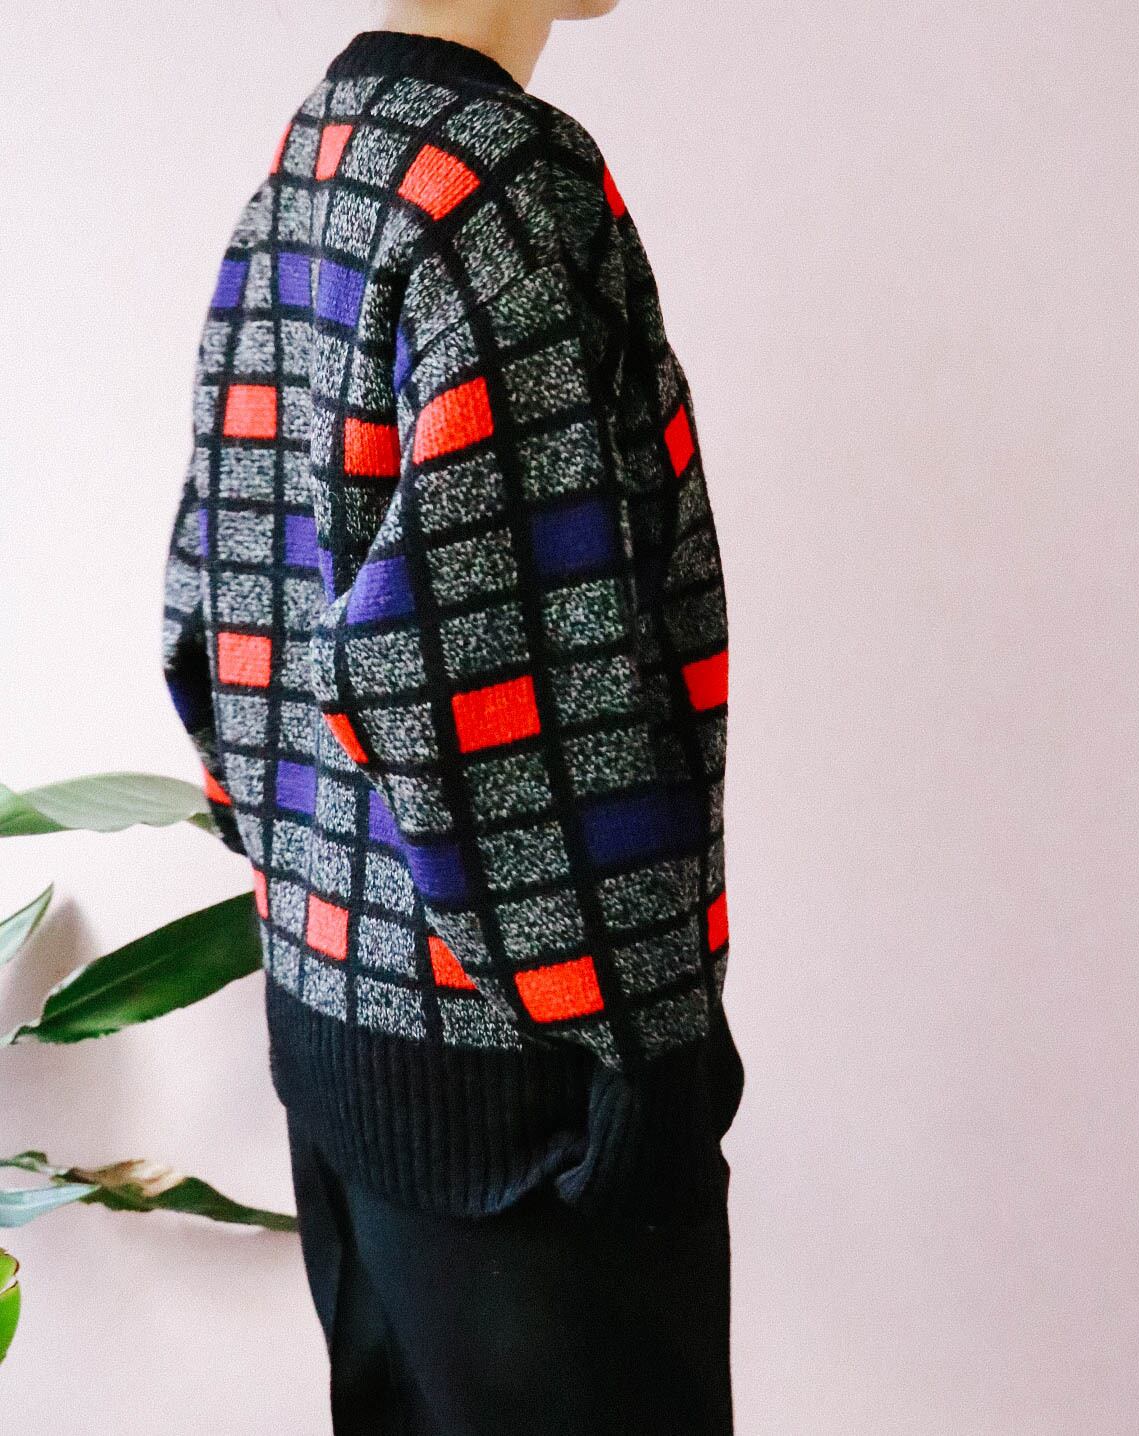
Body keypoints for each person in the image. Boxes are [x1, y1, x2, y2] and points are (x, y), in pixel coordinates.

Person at [160, 1, 744, 1430]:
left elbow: (206, 616)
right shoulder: (500, 186)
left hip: (336, 1043)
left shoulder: (313, 161)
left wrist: (304, 877)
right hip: (531, 1105)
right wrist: (643, 1049)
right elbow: (521, 685)